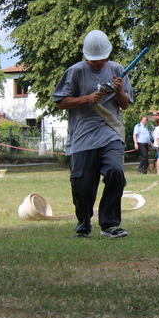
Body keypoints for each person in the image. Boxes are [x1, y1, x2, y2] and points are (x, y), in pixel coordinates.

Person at [52, 29, 133, 239]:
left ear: (108, 54)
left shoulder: (118, 70)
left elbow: (125, 105)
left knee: (115, 171)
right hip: (82, 137)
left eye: (102, 59)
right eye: (93, 60)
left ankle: (109, 225)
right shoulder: (75, 72)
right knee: (82, 185)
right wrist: (87, 99)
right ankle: (83, 224)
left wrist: (119, 90)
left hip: (111, 132)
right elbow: (61, 102)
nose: (98, 63)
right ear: (86, 56)